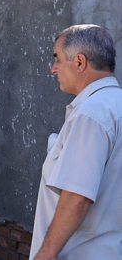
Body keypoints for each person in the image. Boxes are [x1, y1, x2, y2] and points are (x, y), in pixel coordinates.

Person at [30, 24, 122, 260]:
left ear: (80, 62)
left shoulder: (91, 114)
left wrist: (45, 254)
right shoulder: (115, 105)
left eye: (58, 59)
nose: (53, 69)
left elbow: (77, 196)